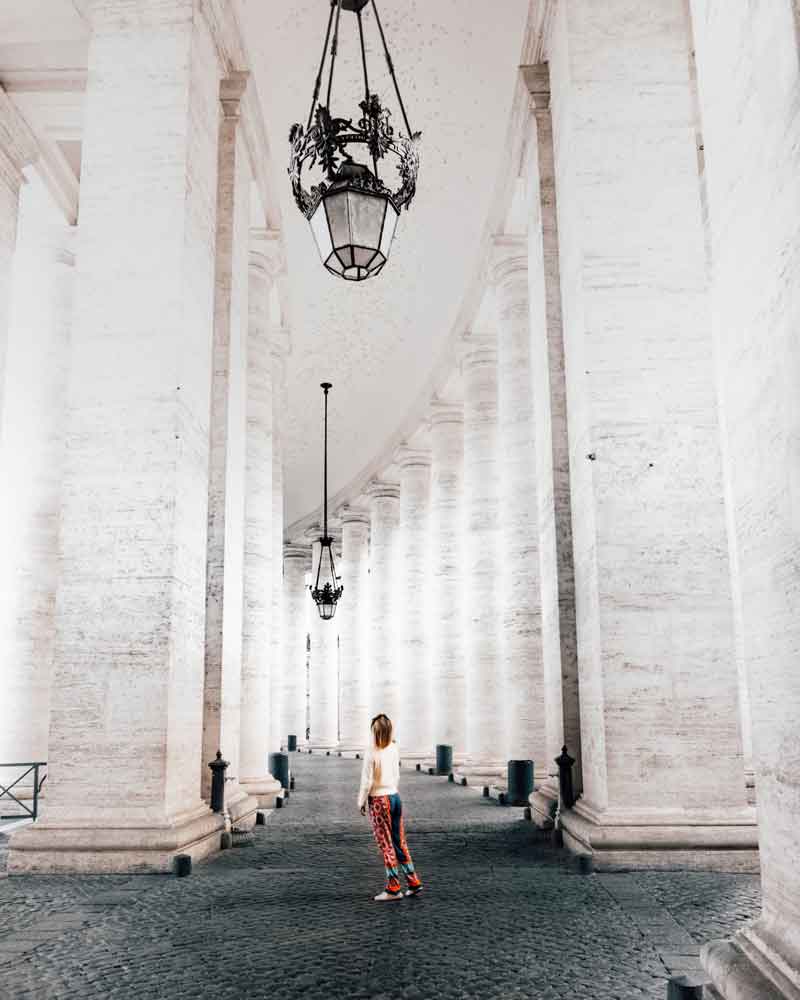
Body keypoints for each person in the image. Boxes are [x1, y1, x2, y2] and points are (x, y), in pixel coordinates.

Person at [358, 713, 423, 901]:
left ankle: (393, 888)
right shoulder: (394, 748)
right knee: (399, 842)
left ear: (374, 731)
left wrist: (361, 801)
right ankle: (413, 882)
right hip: (395, 797)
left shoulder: (371, 751)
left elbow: (367, 780)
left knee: (386, 844)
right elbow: (397, 774)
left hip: (379, 800)